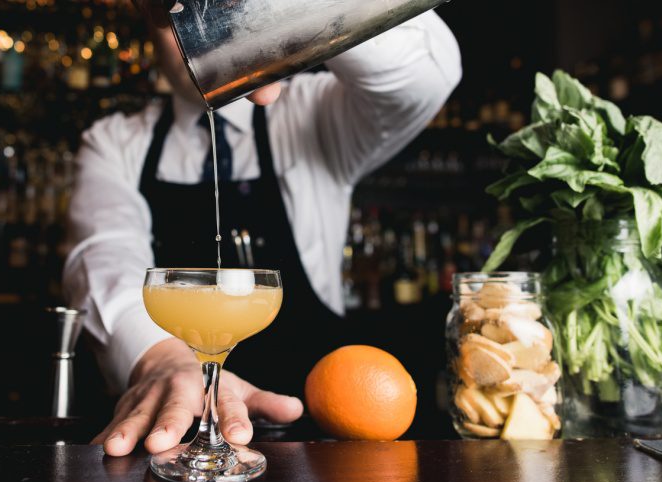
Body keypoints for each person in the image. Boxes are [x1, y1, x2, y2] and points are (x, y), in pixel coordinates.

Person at [63, 3, 462, 458]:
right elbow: (102, 254)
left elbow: (426, 74)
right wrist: (160, 358)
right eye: (183, 15)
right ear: (150, 24)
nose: (204, 30)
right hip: (174, 437)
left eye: (216, 9)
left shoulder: (315, 111)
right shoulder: (114, 142)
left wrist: (281, 11)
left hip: (315, 440)